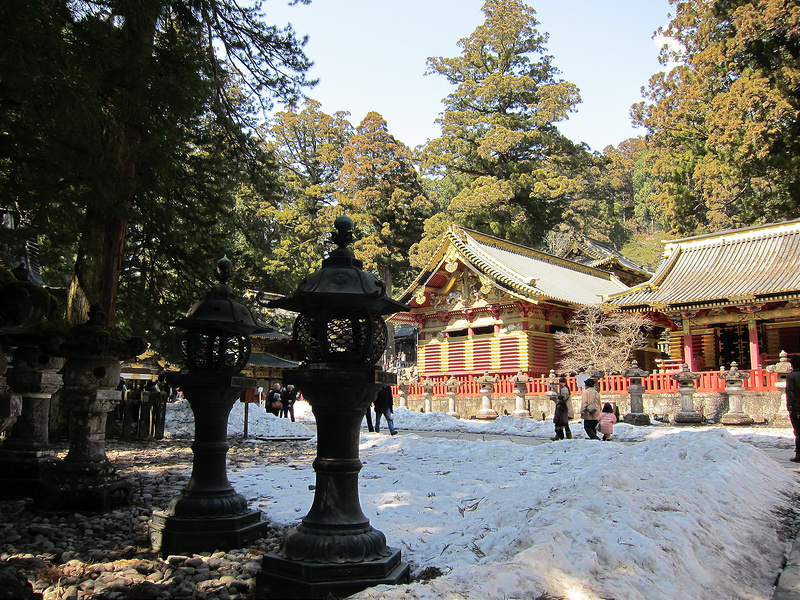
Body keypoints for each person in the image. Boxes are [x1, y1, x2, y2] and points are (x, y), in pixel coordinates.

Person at [786, 355, 800, 462]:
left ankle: (799, 454)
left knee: (798, 431)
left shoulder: (792, 376)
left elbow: (790, 393)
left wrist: (789, 406)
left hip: (797, 407)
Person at [550, 376, 573, 441]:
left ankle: (565, 436)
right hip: (564, 408)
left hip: (564, 409)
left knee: (563, 423)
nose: (560, 384)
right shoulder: (564, 389)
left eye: (562, 382)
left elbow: (563, 398)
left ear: (565, 383)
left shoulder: (564, 390)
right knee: (563, 423)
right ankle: (560, 436)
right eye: (560, 382)